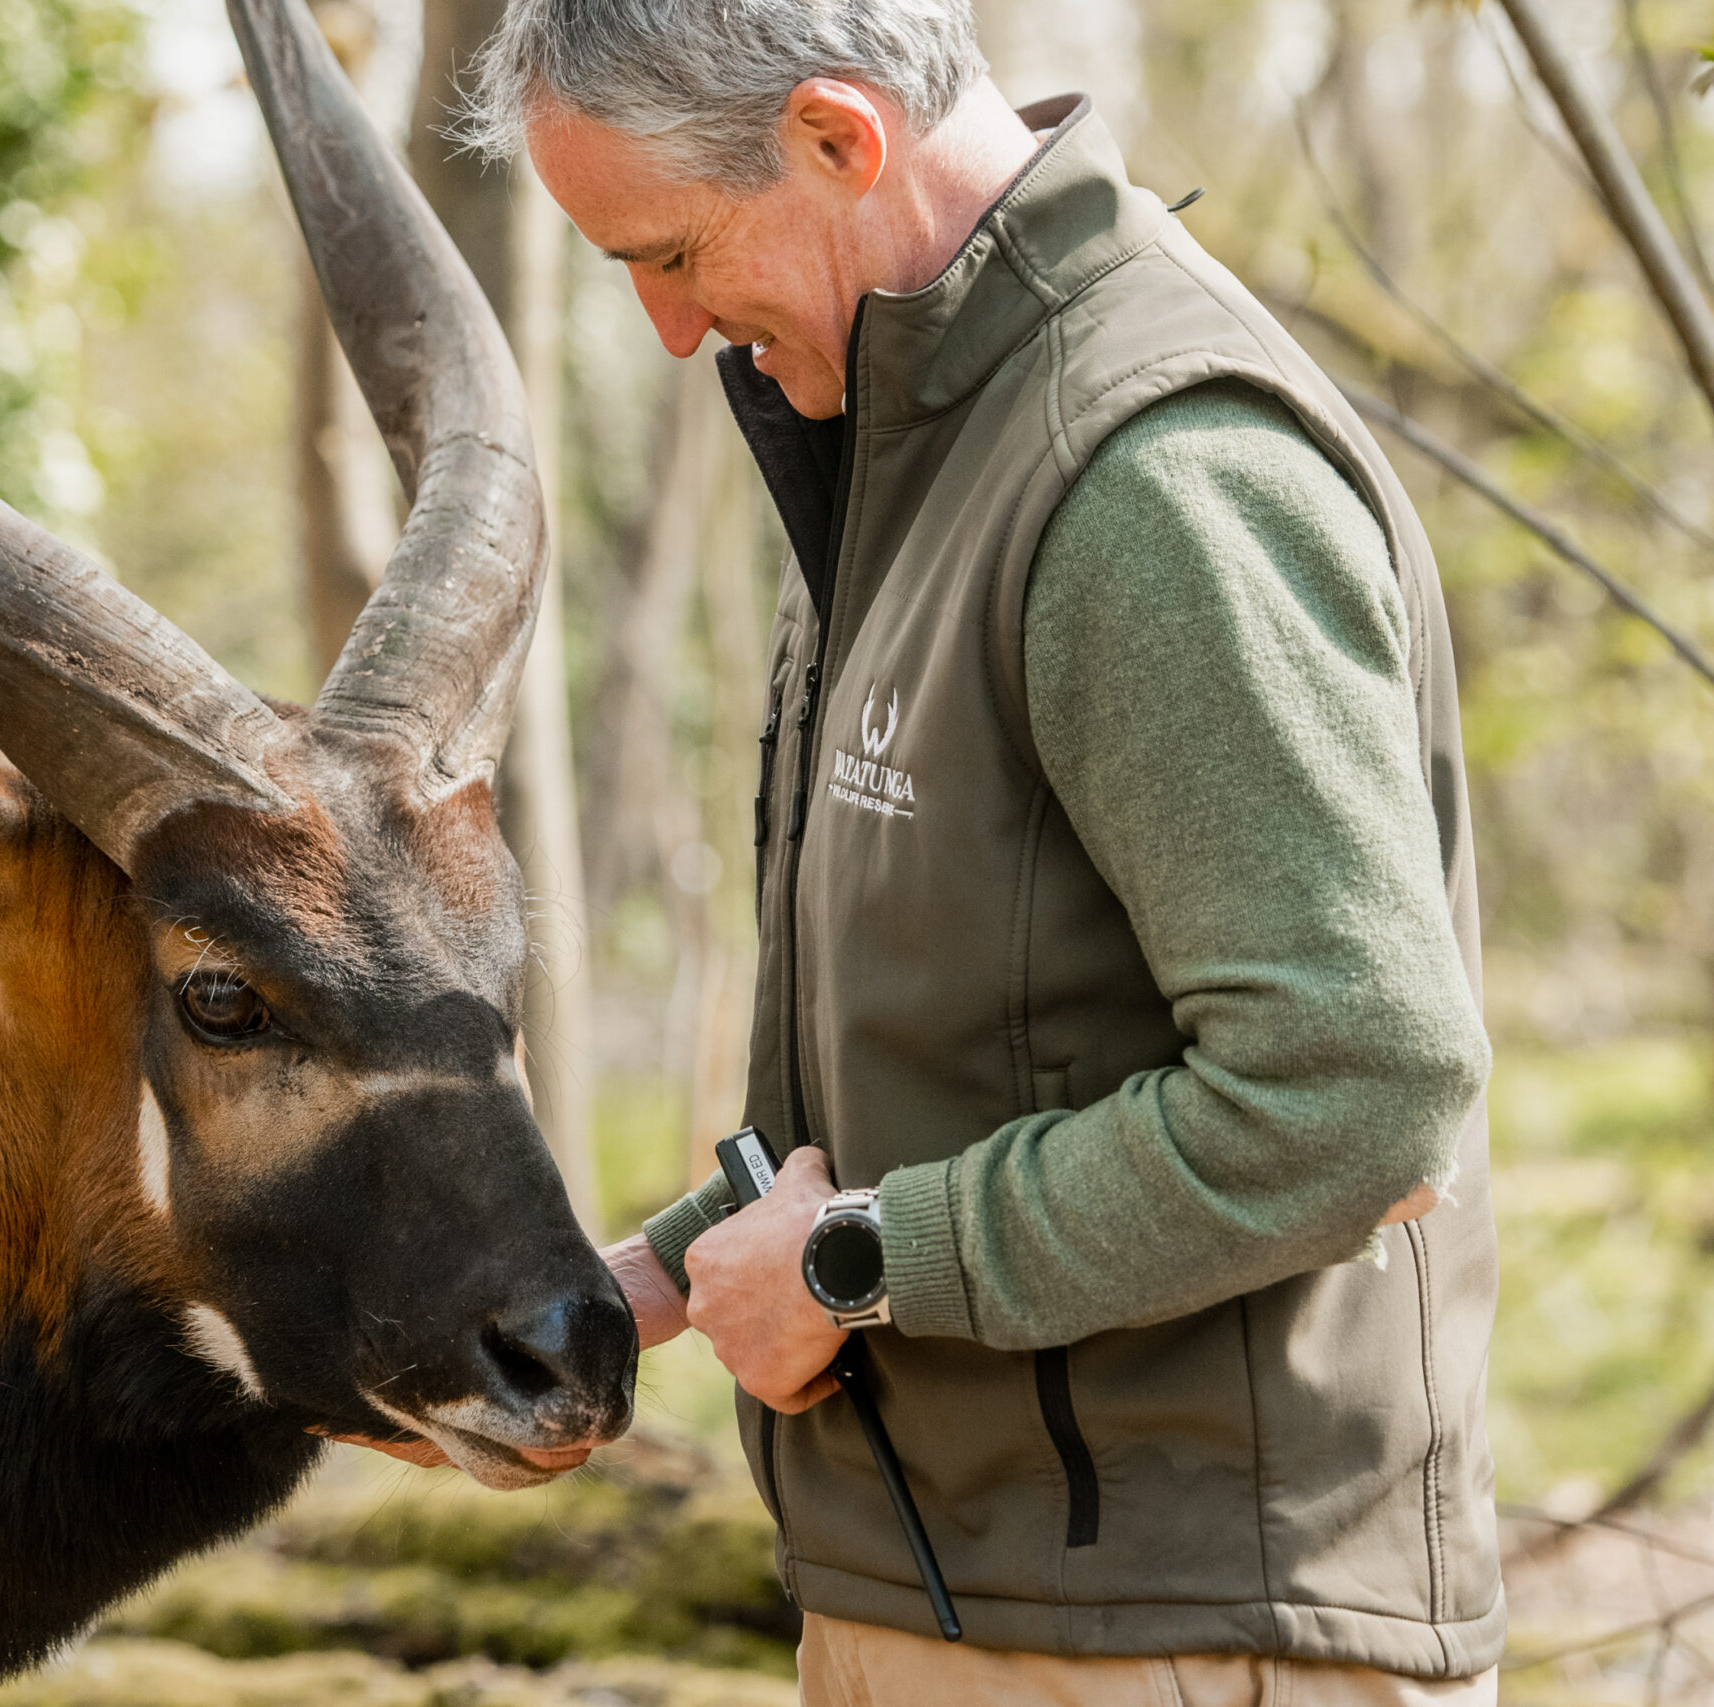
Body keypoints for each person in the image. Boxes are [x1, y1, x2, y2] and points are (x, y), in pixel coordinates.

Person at [445, 3, 1503, 1702]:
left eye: (670, 252)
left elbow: (1357, 1096)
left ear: (837, 140)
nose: (660, 329)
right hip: (954, 1596)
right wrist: (637, 1282)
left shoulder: (1150, 479)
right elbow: (970, 1044)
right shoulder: (902, 447)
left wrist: (857, 1271)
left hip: (1172, 1636)